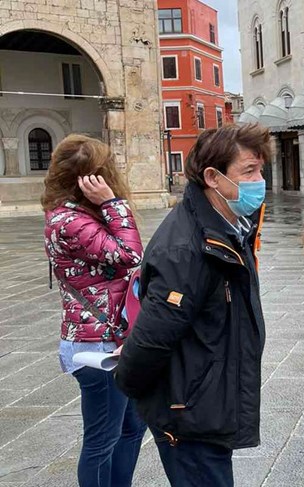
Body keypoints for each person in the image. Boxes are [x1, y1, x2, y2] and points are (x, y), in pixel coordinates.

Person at [115, 124, 271, 487]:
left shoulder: (226, 226)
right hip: (189, 414)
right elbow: (152, 338)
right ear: (213, 177)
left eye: (260, 170)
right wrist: (141, 391)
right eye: (249, 171)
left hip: (206, 405)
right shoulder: (187, 249)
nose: (258, 181)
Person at [42, 135, 146, 487]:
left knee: (132, 427)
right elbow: (131, 256)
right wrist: (114, 203)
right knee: (102, 440)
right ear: (93, 179)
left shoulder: (81, 216)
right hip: (96, 349)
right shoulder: (70, 222)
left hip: (113, 341)